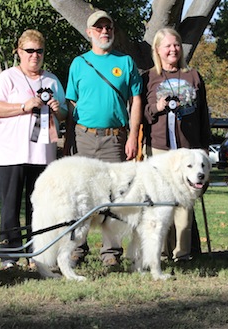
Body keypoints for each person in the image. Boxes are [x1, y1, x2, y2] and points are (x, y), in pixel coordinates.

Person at [65, 10, 143, 267]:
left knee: (115, 196)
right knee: (81, 194)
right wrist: (68, 141)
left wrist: (133, 136)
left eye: (108, 27)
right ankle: (77, 248)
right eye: (98, 28)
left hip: (115, 139)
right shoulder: (79, 63)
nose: (104, 31)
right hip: (84, 137)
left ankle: (111, 253)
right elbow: (71, 103)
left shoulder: (126, 62)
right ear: (89, 32)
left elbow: (136, 101)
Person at [0, 29, 68, 269]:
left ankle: (37, 253)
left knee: (39, 206)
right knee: (10, 206)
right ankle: (10, 256)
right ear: (19, 52)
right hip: (12, 153)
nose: (34, 55)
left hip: (43, 154)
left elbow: (64, 115)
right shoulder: (7, 77)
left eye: (39, 51)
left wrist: (56, 108)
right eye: (29, 51)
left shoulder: (52, 80)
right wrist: (24, 105)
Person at [142, 27, 211, 262]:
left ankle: (183, 253)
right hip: (158, 149)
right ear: (158, 50)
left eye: (176, 45)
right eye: (168, 46)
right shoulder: (149, 77)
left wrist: (203, 146)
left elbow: (203, 114)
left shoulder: (192, 76)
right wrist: (156, 108)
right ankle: (159, 252)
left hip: (188, 151)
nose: (173, 49)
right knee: (158, 201)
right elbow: (142, 114)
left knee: (185, 204)